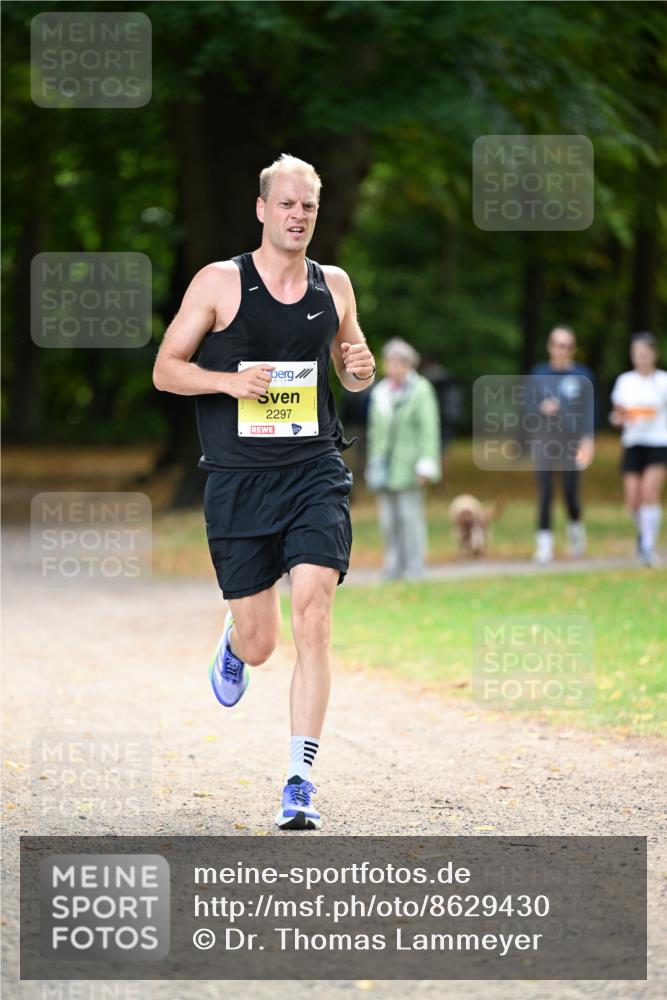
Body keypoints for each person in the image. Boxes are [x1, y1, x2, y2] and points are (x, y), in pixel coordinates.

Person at [152, 154, 375, 830]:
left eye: (307, 205)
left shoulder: (332, 285)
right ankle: (235, 639)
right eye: (285, 203)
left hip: (313, 471)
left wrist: (358, 369)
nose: (297, 215)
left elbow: (352, 366)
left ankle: (299, 779)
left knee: (313, 611)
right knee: (261, 644)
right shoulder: (220, 282)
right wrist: (226, 383)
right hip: (238, 481)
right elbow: (166, 369)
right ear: (261, 209)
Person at [365, 338, 441, 580]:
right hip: (384, 467)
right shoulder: (381, 393)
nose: (391, 367)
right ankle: (393, 567)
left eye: (396, 362)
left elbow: (428, 428)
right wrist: (372, 462)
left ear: (408, 364)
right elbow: (374, 432)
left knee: (410, 519)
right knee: (388, 521)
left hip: (410, 465)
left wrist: (426, 463)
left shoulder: (421, 390)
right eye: (388, 361)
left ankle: (414, 568)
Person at [528, 326, 595, 565]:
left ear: (573, 349)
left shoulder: (582, 375)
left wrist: (588, 441)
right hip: (545, 439)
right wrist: (540, 409)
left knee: (570, 491)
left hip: (572, 440)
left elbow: (588, 411)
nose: (562, 350)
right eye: (558, 344)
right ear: (550, 346)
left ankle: (576, 531)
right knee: (545, 491)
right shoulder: (538, 374)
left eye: (566, 345)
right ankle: (544, 545)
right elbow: (526, 407)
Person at [610, 332, 667, 566]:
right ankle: (644, 535)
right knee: (633, 500)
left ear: (654, 354)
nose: (641, 358)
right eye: (637, 354)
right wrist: (619, 418)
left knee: (649, 494)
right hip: (633, 442)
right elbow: (618, 412)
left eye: (645, 354)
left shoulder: (663, 381)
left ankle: (647, 547)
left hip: (658, 442)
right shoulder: (625, 381)